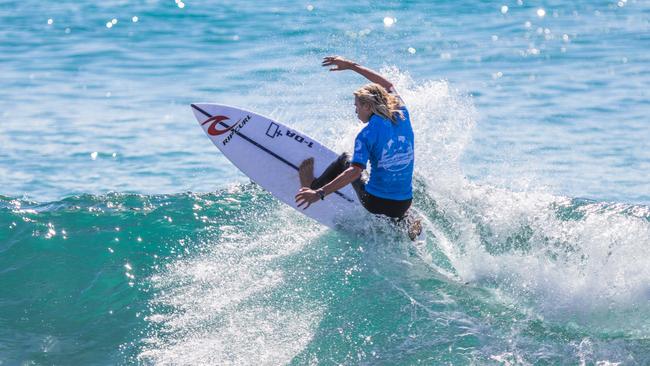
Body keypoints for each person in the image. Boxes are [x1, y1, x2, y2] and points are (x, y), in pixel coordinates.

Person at [295, 56, 420, 237]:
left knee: (346, 159)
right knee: (391, 180)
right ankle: (405, 222)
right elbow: (388, 85)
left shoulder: (366, 134)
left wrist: (319, 194)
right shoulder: (403, 114)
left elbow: (354, 172)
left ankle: (312, 184)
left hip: (375, 203)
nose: (355, 111)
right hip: (404, 203)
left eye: (357, 107)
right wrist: (352, 66)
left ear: (368, 107)